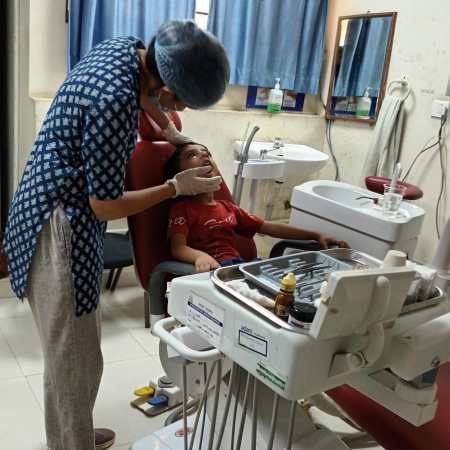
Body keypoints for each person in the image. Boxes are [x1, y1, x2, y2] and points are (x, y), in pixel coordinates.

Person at [3, 20, 229, 450]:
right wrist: (174, 188)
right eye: (180, 102)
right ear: (168, 87)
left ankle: (75, 432)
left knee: (81, 351)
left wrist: (168, 131)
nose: (178, 108)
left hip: (59, 209)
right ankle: (70, 442)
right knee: (72, 358)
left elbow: (146, 97)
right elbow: (104, 205)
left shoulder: (128, 49)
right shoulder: (114, 103)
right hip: (59, 222)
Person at [164, 143, 348, 272]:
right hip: (212, 273)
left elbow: (268, 227)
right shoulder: (183, 209)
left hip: (238, 268)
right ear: (180, 175)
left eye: (207, 153)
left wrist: (316, 235)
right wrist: (199, 257)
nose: (205, 155)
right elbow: (178, 248)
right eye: (192, 155)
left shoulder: (228, 208)